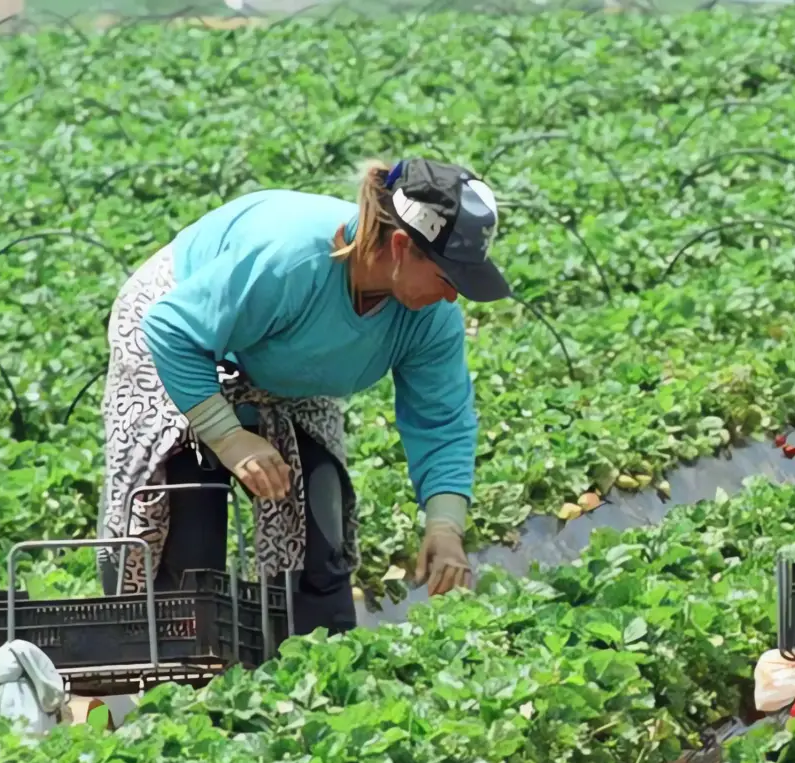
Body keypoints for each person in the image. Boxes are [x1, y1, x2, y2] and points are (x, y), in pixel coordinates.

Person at [95, 157, 513, 635]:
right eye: (447, 278)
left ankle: (309, 660)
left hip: (284, 357)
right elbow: (171, 330)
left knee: (316, 504)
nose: (453, 297)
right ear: (401, 247)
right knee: (190, 509)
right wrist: (228, 438)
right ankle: (179, 667)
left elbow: (441, 418)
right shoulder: (291, 258)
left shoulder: (430, 316)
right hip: (181, 331)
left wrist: (444, 525)